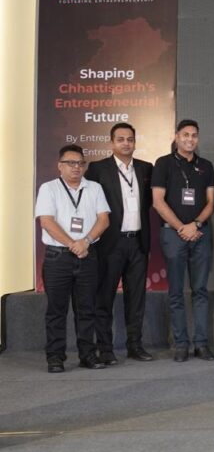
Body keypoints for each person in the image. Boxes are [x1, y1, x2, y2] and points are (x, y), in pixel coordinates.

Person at [36, 144, 110, 373]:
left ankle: (87, 355)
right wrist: (73, 244)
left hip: (88, 255)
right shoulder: (49, 188)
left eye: (80, 163)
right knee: (56, 311)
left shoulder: (94, 188)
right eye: (70, 163)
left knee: (86, 309)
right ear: (60, 165)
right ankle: (55, 358)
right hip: (58, 257)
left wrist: (85, 242)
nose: (76, 167)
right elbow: (46, 222)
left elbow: (104, 220)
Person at [85, 123, 154, 364]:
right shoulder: (98, 169)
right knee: (104, 298)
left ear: (135, 142)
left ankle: (135, 346)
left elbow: (148, 203)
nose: (126, 143)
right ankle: (105, 349)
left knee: (136, 299)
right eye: (121, 139)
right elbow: (89, 204)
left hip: (137, 243)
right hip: (110, 244)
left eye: (130, 139)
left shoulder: (146, 168)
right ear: (112, 142)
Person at [152, 119, 214, 362]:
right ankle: (181, 344)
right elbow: (158, 202)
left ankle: (201, 343)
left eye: (194, 135)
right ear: (176, 136)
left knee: (200, 290)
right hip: (173, 234)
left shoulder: (206, 166)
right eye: (185, 134)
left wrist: (195, 225)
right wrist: (182, 228)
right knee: (176, 291)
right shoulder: (163, 163)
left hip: (201, 233)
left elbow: (211, 202)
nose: (190, 139)